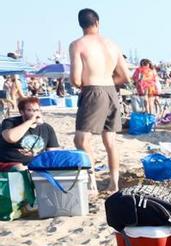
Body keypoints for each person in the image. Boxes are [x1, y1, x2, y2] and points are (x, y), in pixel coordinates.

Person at [69, 8, 130, 193]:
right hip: (111, 90)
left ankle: (91, 182)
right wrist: (109, 83)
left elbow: (76, 79)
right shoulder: (112, 44)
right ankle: (114, 182)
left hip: (92, 90)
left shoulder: (78, 44)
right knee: (110, 139)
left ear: (80, 25)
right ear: (98, 23)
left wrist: (87, 86)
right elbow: (126, 76)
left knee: (81, 139)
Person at [0, 97, 61, 170]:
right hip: (9, 163)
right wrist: (31, 121)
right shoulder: (10, 122)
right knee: (21, 168)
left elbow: (52, 153)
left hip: (35, 163)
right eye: (30, 110)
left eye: (37, 110)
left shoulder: (47, 128)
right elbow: (10, 138)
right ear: (22, 112)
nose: (35, 113)